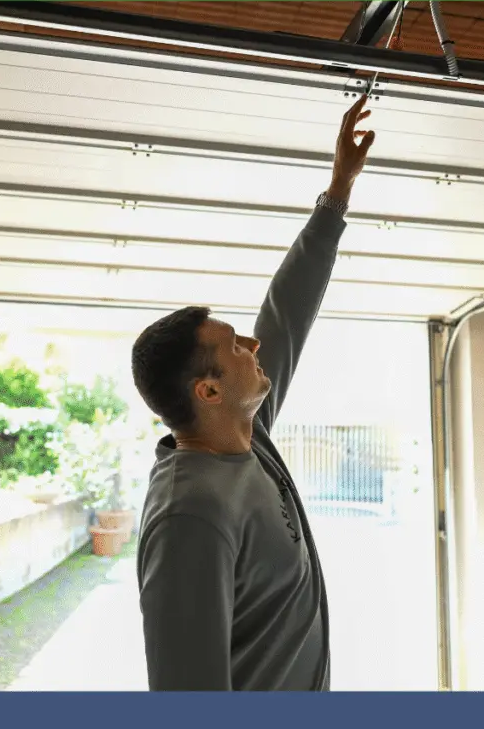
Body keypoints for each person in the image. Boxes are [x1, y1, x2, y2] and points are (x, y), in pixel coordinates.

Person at [130, 95, 376, 691]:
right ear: (209, 389)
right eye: (234, 344)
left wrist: (337, 191)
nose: (254, 345)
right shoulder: (191, 514)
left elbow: (285, 313)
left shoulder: (245, 439)